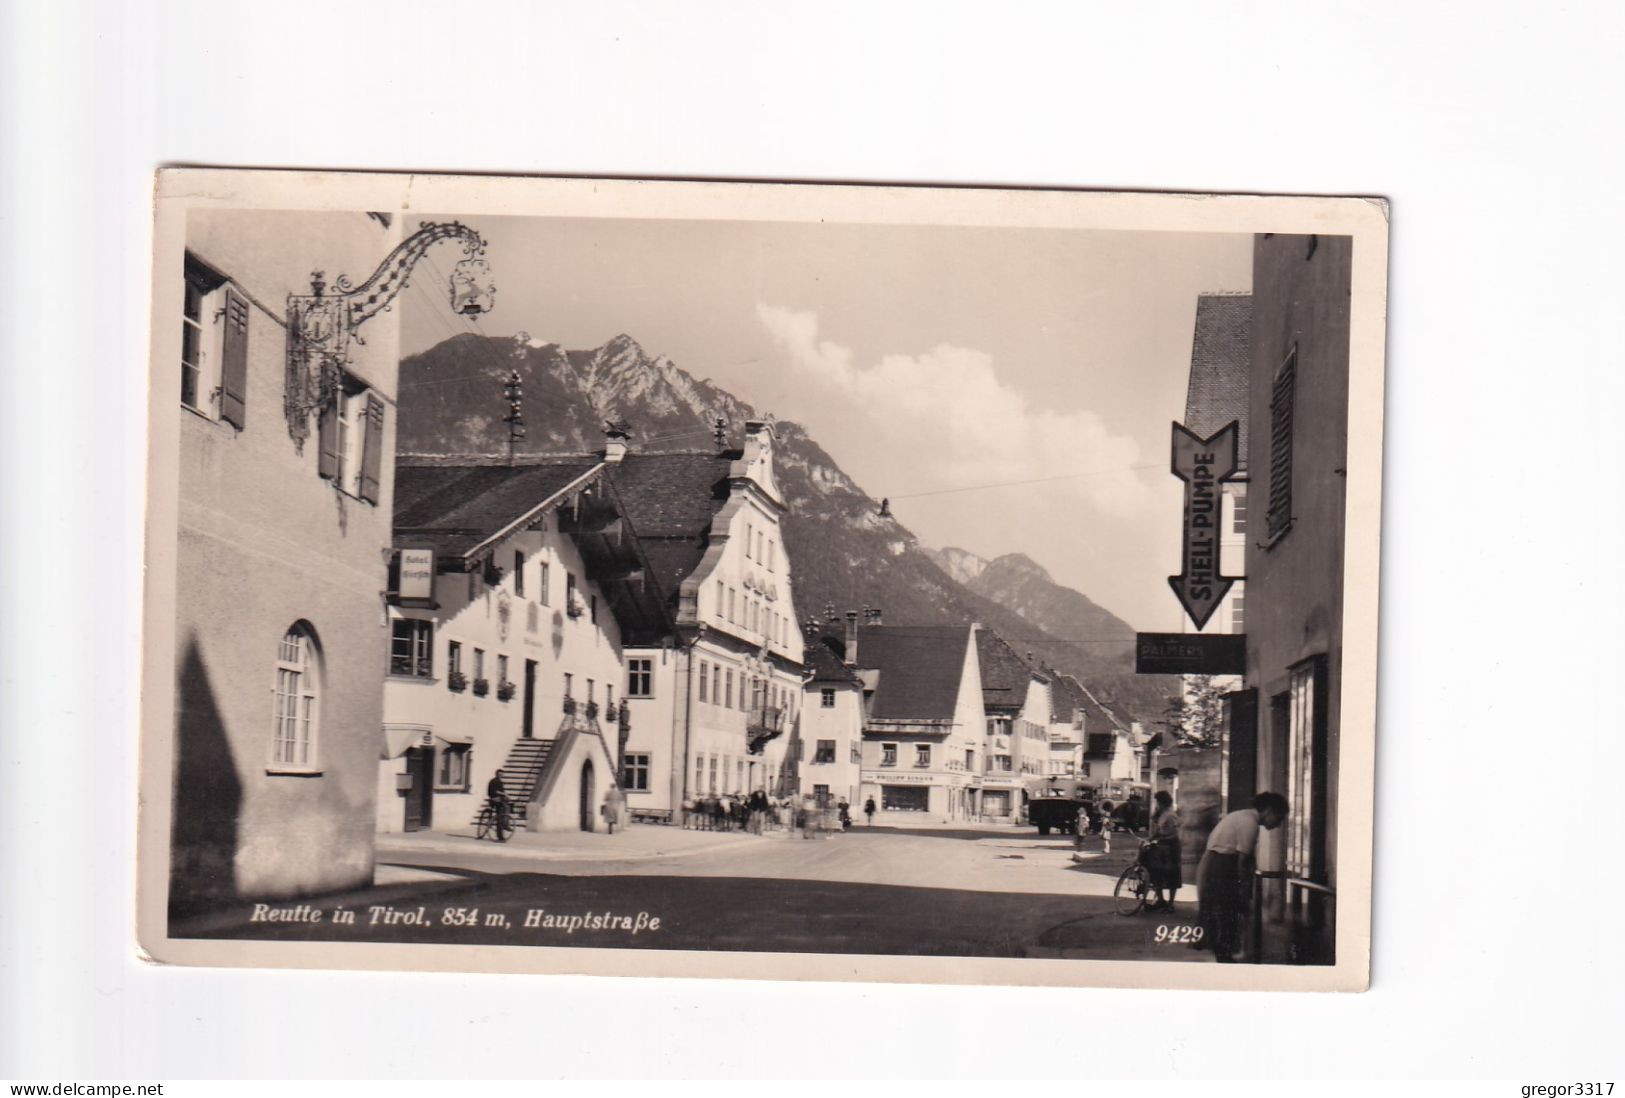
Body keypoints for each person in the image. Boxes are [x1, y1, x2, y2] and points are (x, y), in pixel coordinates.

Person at [1196, 791, 1289, 963]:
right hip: (1225, 870)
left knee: (1220, 918)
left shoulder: (1240, 815)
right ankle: (1226, 960)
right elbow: (1241, 863)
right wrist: (1243, 891)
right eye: (1280, 817)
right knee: (1227, 917)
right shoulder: (1250, 823)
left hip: (1215, 867)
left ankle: (1223, 957)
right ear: (1269, 811)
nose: (1279, 824)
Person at [1146, 790, 1183, 910]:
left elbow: (1176, 834)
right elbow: (1159, 829)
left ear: (1163, 802)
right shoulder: (1162, 814)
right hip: (1162, 846)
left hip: (1171, 847)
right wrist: (1152, 838)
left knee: (1172, 874)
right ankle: (1160, 900)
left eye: (1158, 802)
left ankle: (1171, 904)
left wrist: (1161, 837)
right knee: (1157, 873)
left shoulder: (1170, 815)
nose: (1157, 804)